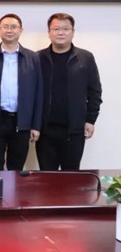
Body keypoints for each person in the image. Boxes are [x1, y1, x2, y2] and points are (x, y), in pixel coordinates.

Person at [37, 13, 102, 170]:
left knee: (72, 176)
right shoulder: (38, 58)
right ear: (49, 32)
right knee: (47, 177)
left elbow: (94, 91)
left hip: (74, 130)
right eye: (56, 29)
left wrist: (90, 120)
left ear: (73, 32)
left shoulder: (85, 58)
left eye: (66, 29)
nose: (61, 33)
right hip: (45, 130)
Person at [0, 14, 42, 171]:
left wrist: (35, 125)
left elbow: (38, 93)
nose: (9, 30)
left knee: (16, 168)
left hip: (21, 121)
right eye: (5, 27)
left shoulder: (33, 57)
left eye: (13, 27)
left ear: (21, 30)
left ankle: (15, 189)